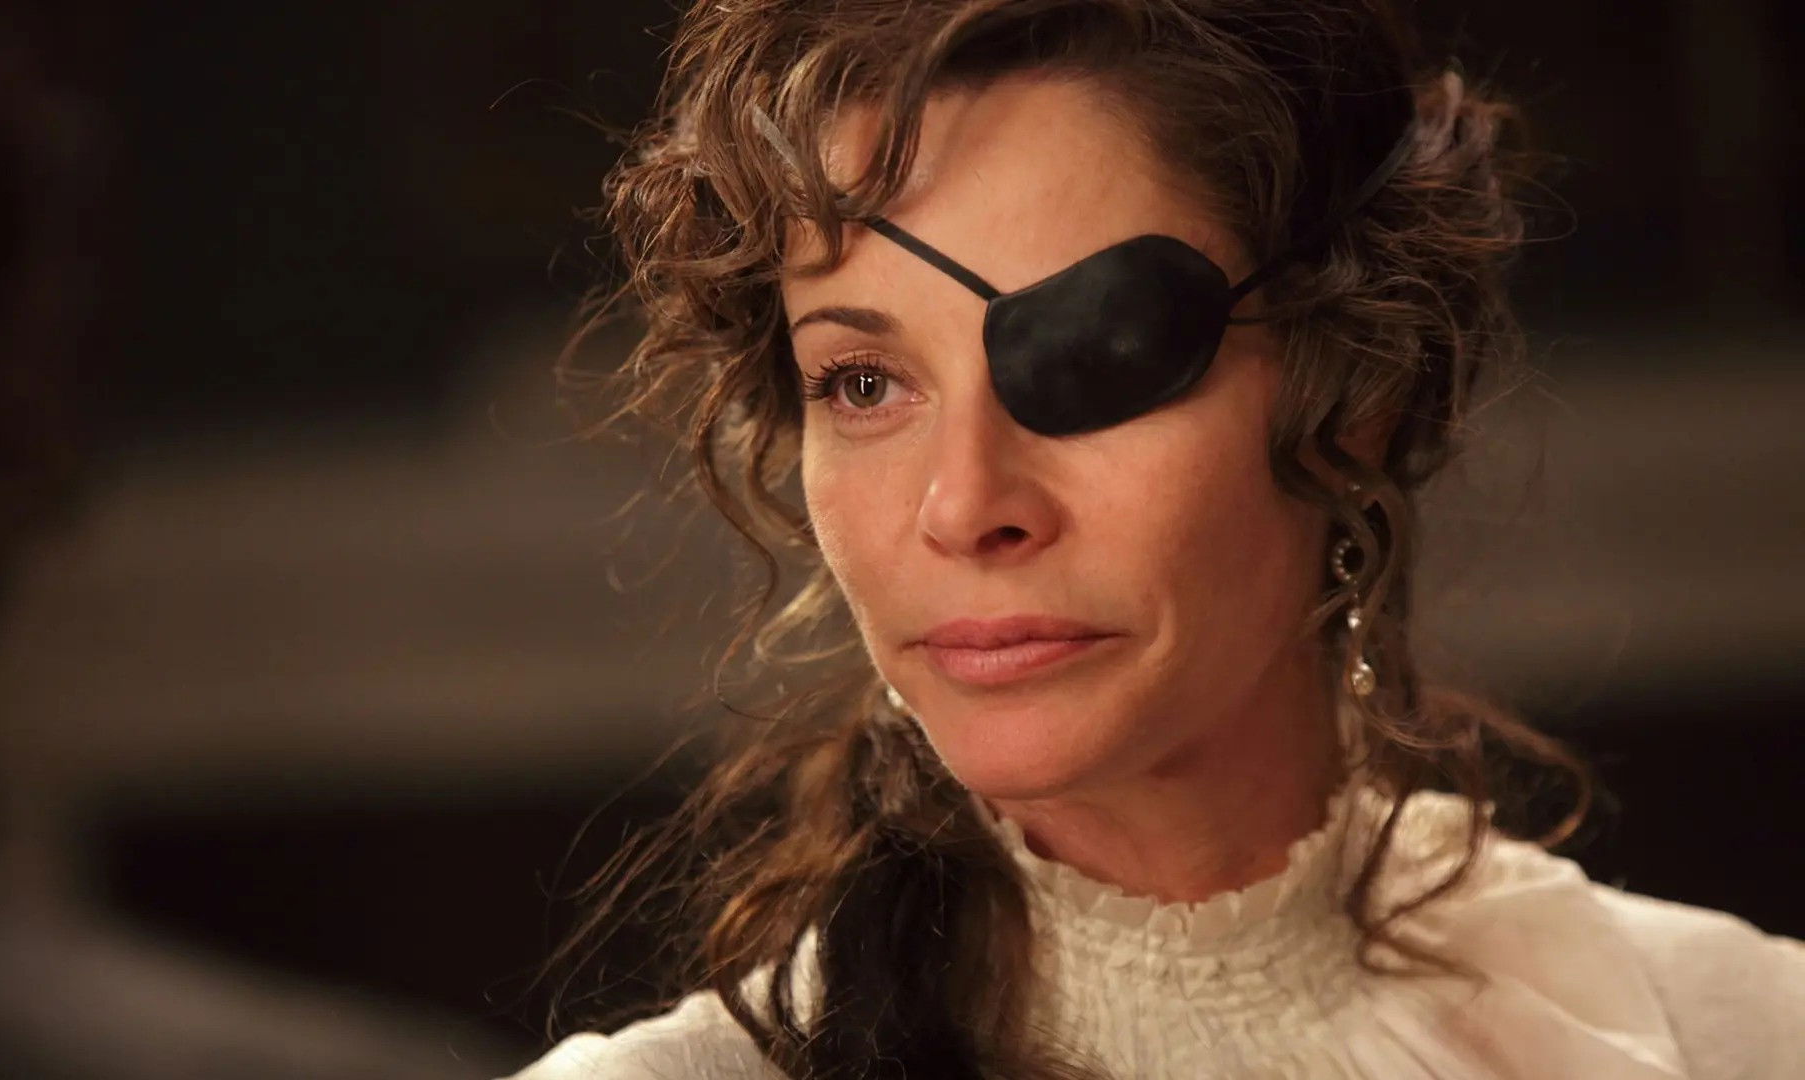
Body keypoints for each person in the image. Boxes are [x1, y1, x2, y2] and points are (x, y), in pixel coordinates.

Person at [510, 1, 1805, 1077]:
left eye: (1103, 351)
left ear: (1357, 388)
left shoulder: (1731, 1036)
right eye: (863, 384)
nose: (963, 504)